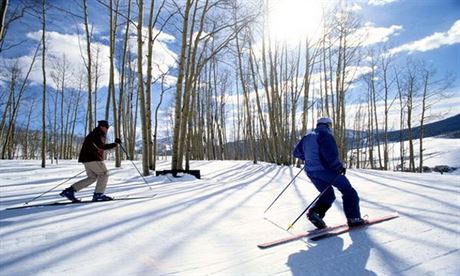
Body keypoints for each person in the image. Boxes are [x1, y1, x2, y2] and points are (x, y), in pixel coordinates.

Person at [293, 117, 367, 228]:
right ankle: (354, 218)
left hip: (311, 172)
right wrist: (338, 167)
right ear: (328, 124)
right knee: (348, 191)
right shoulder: (325, 134)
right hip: (326, 170)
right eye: (331, 125)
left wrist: (309, 158)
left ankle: (315, 213)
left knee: (328, 194)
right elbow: (330, 155)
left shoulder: (307, 136)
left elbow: (296, 153)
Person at [60, 120, 121, 202]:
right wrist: (115, 144)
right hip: (93, 158)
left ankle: (70, 191)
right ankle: (98, 194)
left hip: (87, 159)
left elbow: (101, 147)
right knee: (104, 174)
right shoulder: (97, 134)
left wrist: (114, 144)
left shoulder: (97, 134)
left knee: (92, 177)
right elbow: (101, 146)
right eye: (106, 127)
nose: (107, 129)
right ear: (102, 126)